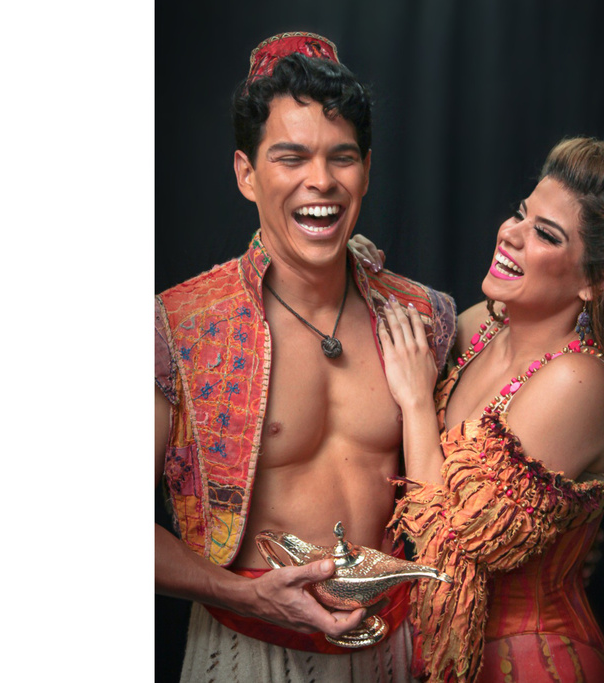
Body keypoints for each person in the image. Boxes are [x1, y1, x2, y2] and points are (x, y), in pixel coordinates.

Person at [154, 32, 456, 683]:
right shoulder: (181, 326)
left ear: (367, 169)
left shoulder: (421, 318)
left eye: (341, 158)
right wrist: (244, 592)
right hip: (249, 650)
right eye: (291, 157)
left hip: (394, 651)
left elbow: (457, 502)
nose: (321, 181)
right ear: (246, 173)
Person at [360, 137, 604, 682]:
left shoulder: (578, 381)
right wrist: (352, 264)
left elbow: (451, 547)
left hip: (534, 663)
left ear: (593, 283)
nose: (510, 233)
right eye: (520, 214)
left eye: (544, 234)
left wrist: (417, 402)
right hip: (429, 654)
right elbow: (399, 325)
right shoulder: (486, 323)